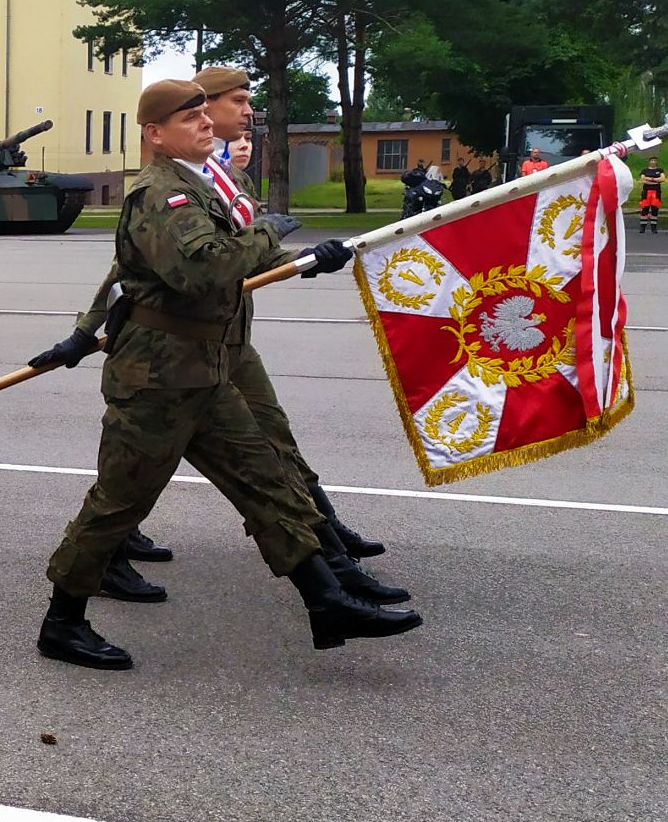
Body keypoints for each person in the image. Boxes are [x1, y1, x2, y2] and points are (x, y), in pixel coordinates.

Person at [28, 78, 421, 670]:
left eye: (204, 115)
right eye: (190, 119)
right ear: (155, 134)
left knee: (266, 480)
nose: (206, 124)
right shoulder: (161, 194)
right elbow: (206, 271)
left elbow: (240, 258)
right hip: (158, 377)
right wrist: (268, 232)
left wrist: (308, 260)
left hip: (206, 367)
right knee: (117, 506)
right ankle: (62, 623)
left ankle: (327, 601)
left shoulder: (202, 184)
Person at [192, 67, 393, 567]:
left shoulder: (230, 177)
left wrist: (306, 260)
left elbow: (252, 257)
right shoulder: (178, 181)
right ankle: (107, 547)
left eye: (249, 101)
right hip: (181, 344)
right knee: (143, 459)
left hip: (230, 334)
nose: (248, 112)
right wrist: (87, 330)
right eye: (237, 101)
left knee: (273, 434)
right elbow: (198, 263)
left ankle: (326, 530)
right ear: (204, 107)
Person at [639, 161, 665, 234]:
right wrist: (656, 181)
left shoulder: (660, 170)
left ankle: (654, 228)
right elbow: (643, 180)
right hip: (646, 192)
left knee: (655, 209)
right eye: (651, 160)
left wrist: (649, 179)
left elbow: (662, 179)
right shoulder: (645, 170)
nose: (653, 162)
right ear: (649, 162)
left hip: (656, 192)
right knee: (644, 209)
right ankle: (642, 227)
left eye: (654, 160)